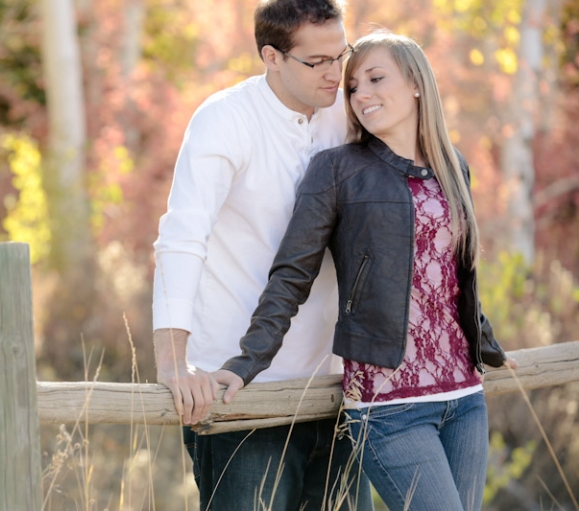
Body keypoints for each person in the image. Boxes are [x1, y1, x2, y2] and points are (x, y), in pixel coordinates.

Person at [215, 31, 519, 510]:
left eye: (376, 79)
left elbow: (452, 273)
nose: (360, 95)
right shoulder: (338, 169)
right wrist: (248, 360)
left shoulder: (452, 166)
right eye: (353, 87)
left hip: (465, 397)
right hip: (388, 405)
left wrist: (487, 342)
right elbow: (292, 275)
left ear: (417, 83)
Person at [152, 0, 373, 509]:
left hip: (338, 389)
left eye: (340, 55)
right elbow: (182, 239)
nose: (335, 73)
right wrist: (173, 362)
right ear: (271, 57)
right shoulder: (223, 119)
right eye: (316, 62)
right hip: (239, 392)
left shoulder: (350, 109)